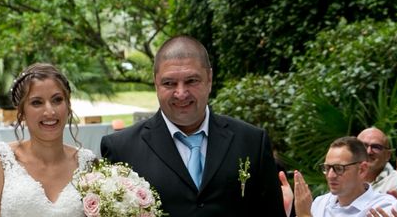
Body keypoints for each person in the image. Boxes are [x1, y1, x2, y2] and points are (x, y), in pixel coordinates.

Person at [100, 35, 285, 216]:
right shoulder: (121, 149)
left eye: (191, 81)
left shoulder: (252, 142)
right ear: (156, 83)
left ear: (209, 79)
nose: (181, 93)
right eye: (169, 83)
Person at [0, 63, 96, 217]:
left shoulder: (88, 164)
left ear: (68, 106)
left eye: (57, 100)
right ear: (22, 111)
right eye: (37, 102)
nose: (49, 111)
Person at [293, 136, 397, 217]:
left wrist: (305, 215)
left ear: (362, 169)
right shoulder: (320, 202)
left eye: (338, 168)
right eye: (327, 168)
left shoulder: (382, 207)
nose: (331, 175)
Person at [358, 127, 397, 193]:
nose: (368, 152)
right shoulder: (344, 177)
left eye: (376, 147)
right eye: (363, 146)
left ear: (388, 155)